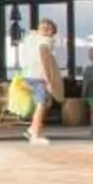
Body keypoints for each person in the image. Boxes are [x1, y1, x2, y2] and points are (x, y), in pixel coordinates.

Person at [23, 17, 61, 145]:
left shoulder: (32, 38)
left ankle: (32, 129)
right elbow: (45, 60)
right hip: (39, 76)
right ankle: (34, 132)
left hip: (29, 75)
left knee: (42, 102)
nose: (46, 29)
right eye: (45, 27)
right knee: (42, 103)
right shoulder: (47, 42)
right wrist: (49, 80)